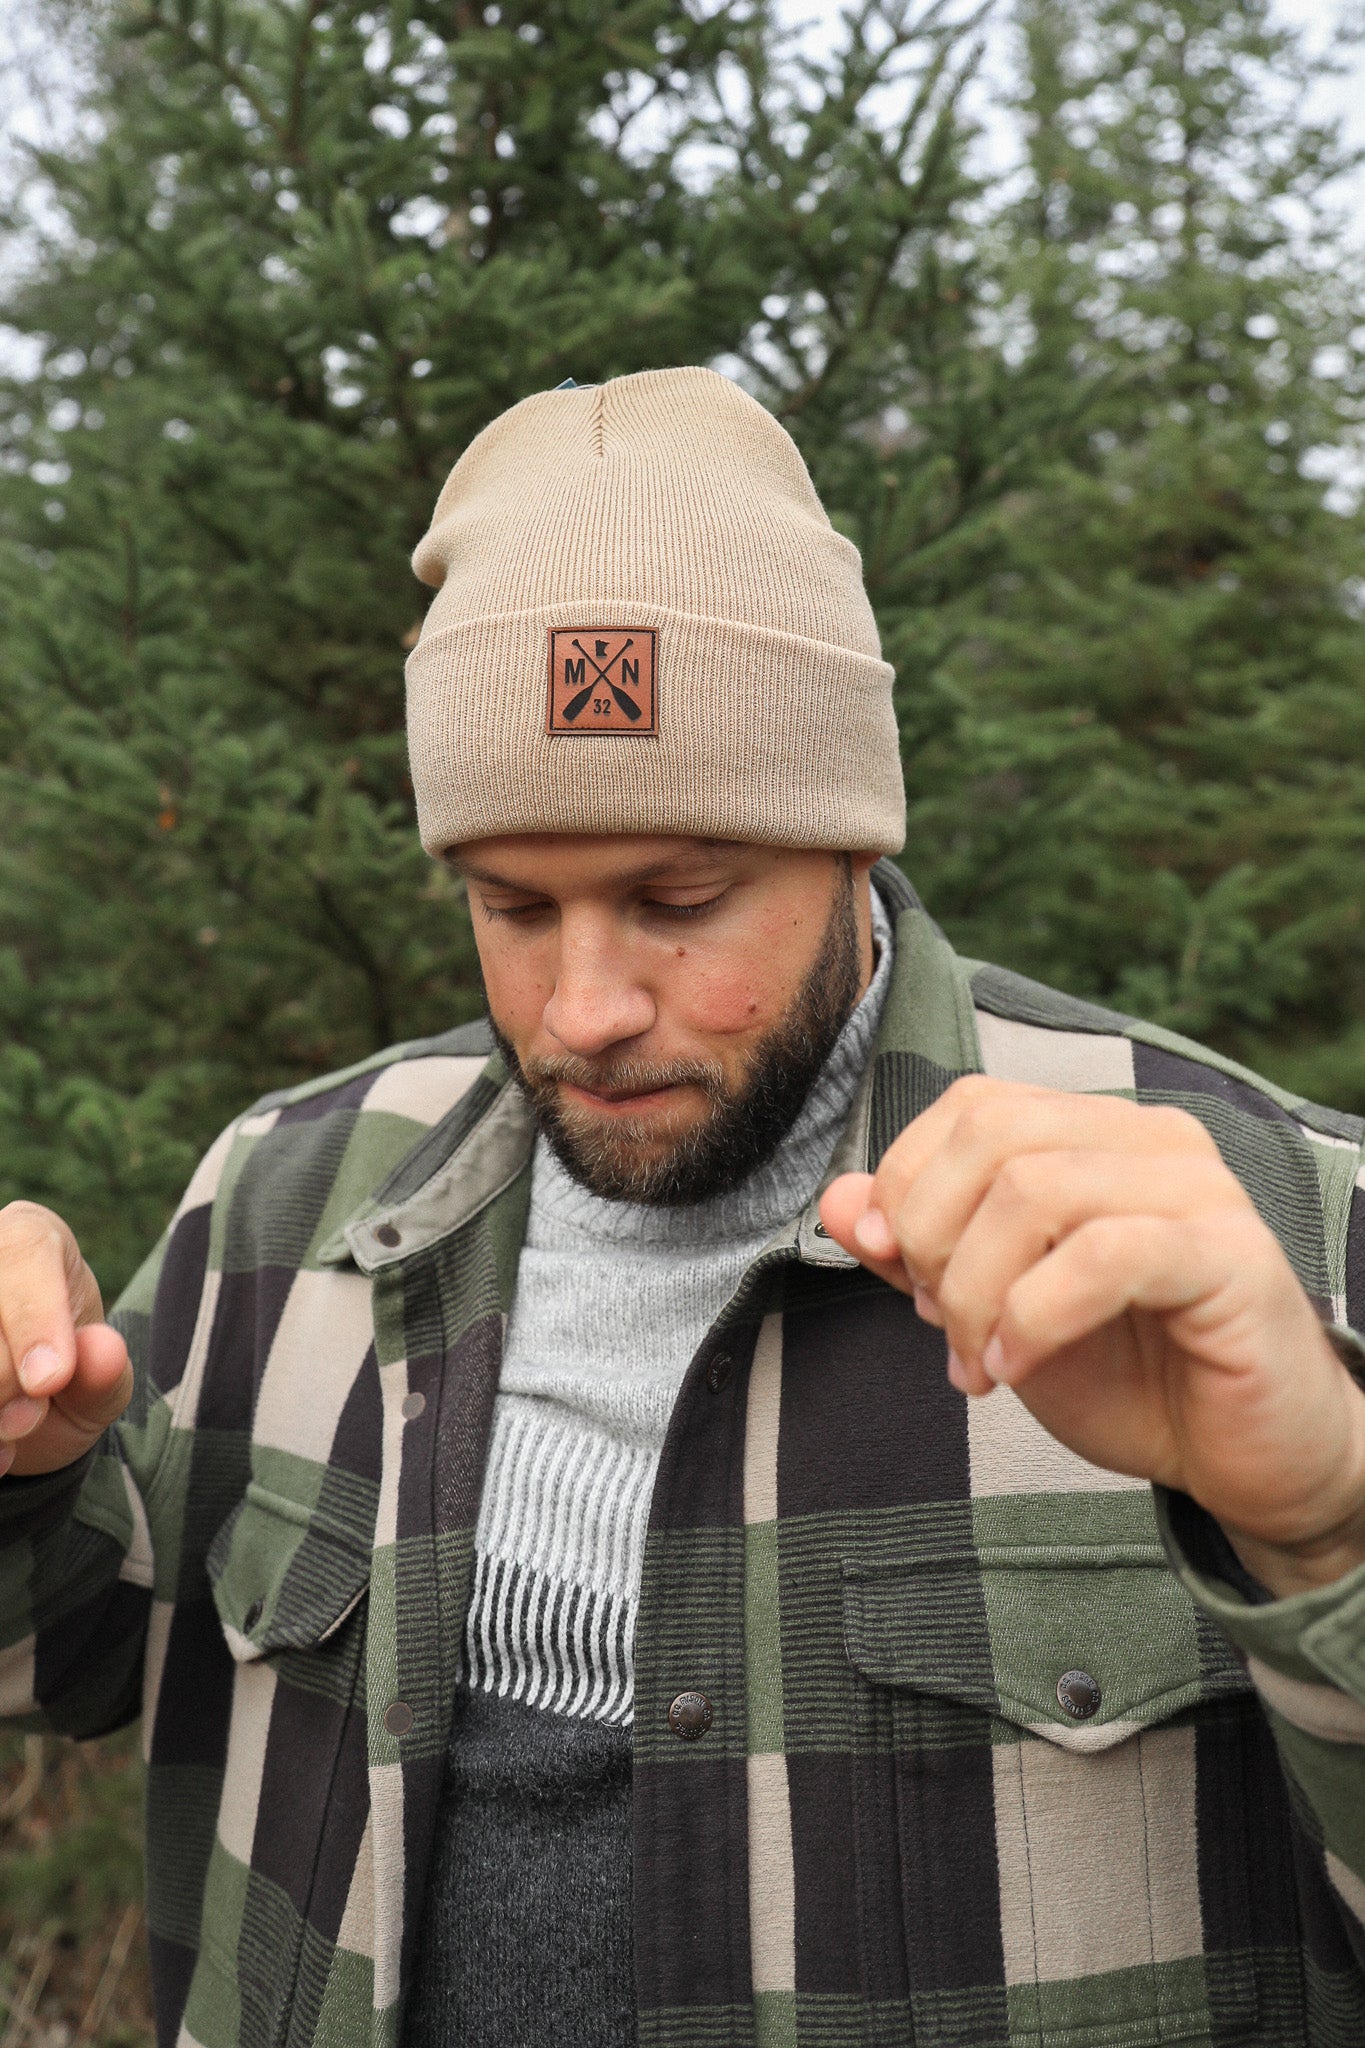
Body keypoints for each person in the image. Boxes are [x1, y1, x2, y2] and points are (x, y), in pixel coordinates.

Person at [0, 366, 1363, 2048]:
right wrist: (28, 1466)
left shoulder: (1245, 1225)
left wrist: (1326, 1531)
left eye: (678, 900)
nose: (582, 1007)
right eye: (512, 906)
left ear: (852, 842)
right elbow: (62, 1661)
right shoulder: (288, 1198)